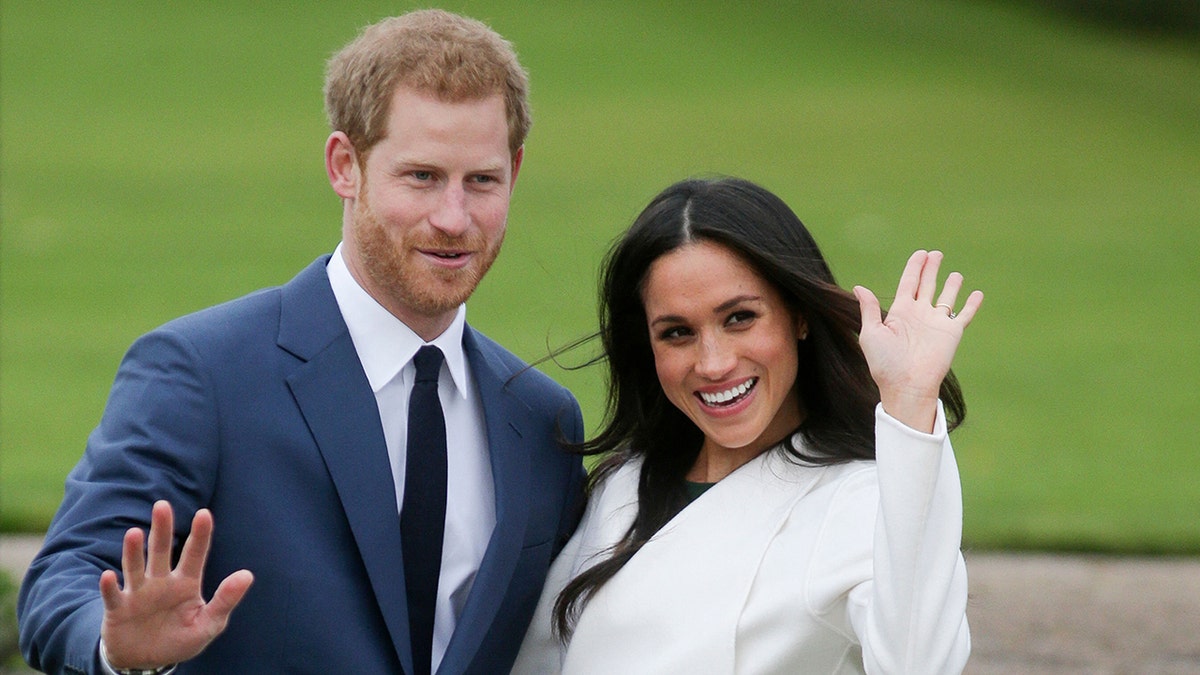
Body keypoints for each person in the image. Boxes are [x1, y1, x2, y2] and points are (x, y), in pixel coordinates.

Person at [18, 9, 585, 675]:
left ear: (514, 172)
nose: (453, 218)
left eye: (481, 180)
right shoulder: (202, 373)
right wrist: (114, 647)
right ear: (345, 165)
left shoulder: (542, 419)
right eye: (422, 176)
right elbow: (69, 573)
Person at [513, 177, 982, 674]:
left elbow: (921, 663)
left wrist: (910, 404)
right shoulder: (622, 484)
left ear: (798, 316)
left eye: (739, 318)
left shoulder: (859, 500)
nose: (713, 364)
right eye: (677, 333)